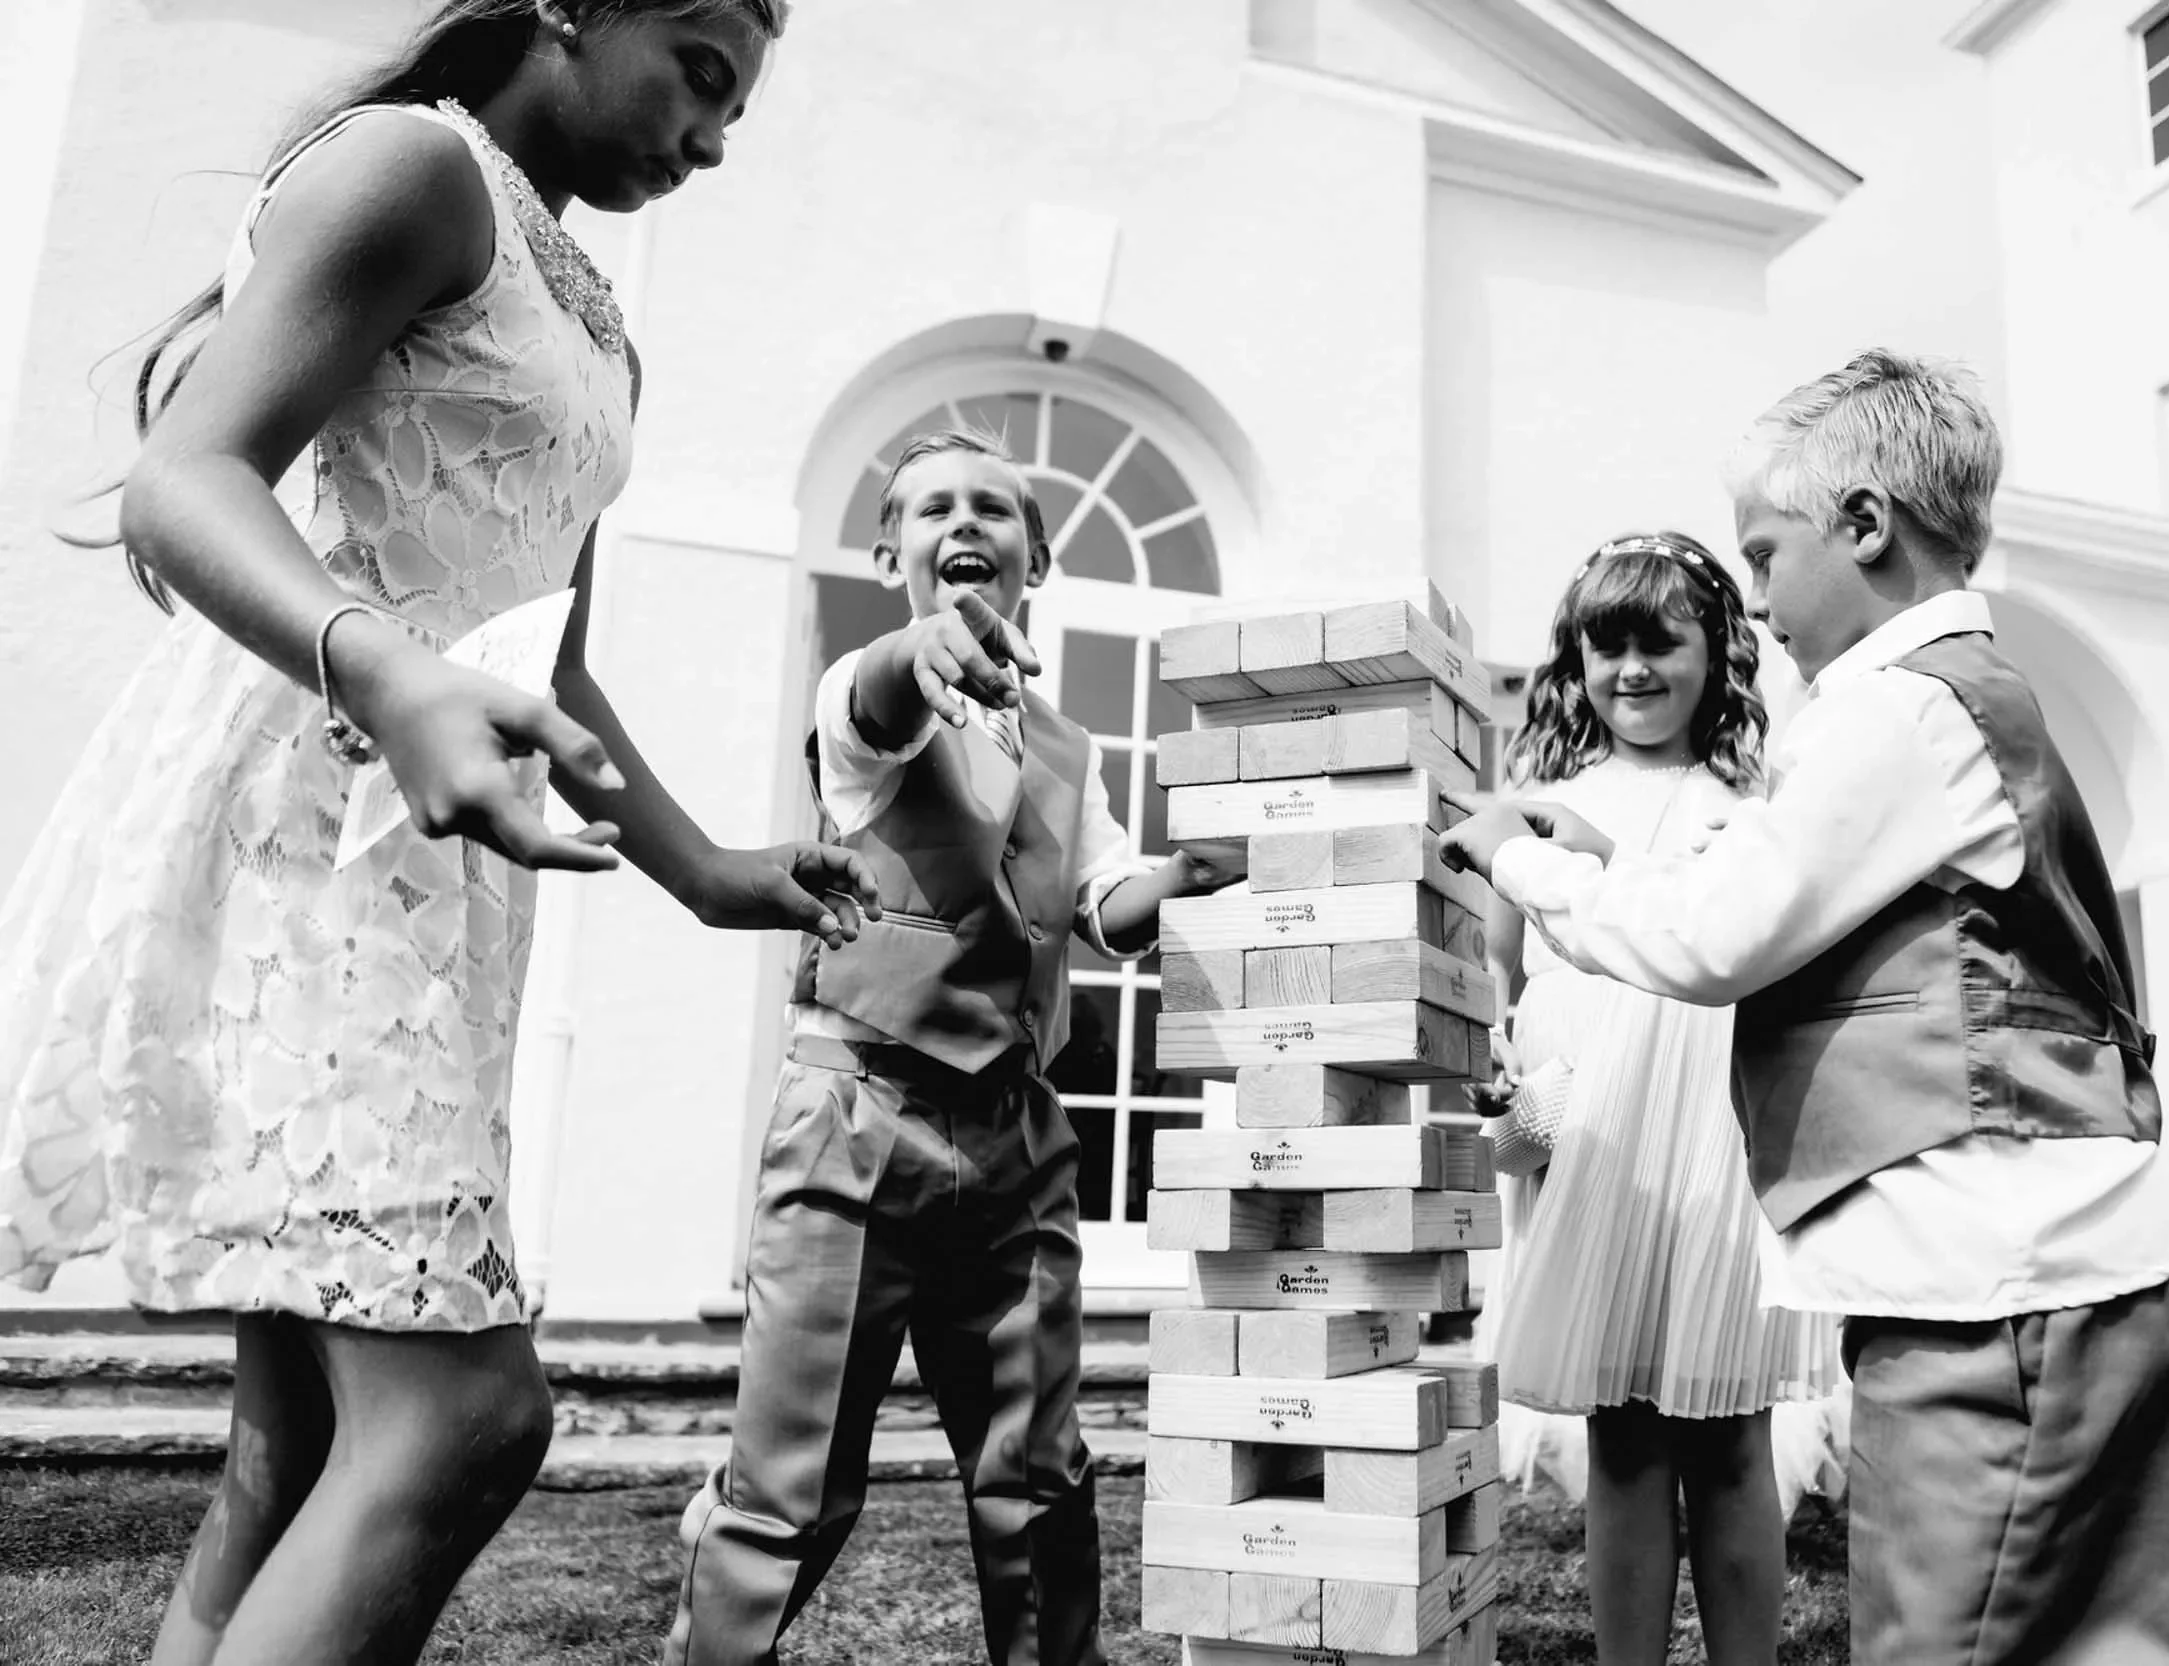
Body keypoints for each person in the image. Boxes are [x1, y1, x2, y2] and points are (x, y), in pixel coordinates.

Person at [0, 6, 878, 1661]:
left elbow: (552, 642)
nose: (710, 137)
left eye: (739, 114)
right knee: (462, 1417)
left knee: (302, 1440)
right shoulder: (416, 173)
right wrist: (386, 673)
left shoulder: (602, 325)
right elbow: (187, 478)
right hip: (312, 835)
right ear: (565, 4)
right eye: (698, 69)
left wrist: (703, 867)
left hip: (437, 883)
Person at [1443, 349, 2169, 1665]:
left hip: (2008, 1298)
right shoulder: (1963, 698)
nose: (1757, 600)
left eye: (1764, 554)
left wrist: (1520, 856)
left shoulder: (1900, 709)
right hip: (2050, 1281)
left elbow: (1718, 932)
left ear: (1866, 524)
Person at [666, 428, 1243, 1666]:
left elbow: (1102, 901)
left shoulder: (1068, 752)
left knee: (1037, 1477)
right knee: (795, 1481)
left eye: (994, 506)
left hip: (1017, 1144)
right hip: (856, 1123)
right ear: (892, 552)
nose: (963, 522)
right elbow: (871, 701)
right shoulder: (861, 700)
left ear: (1040, 553)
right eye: (931, 508)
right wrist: (912, 653)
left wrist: (1183, 878)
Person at [1468, 533, 1837, 1666]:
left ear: (1716, 652)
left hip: (1718, 1141)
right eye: (1604, 643)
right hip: (1600, 1138)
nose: (1629, 668)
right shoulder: (1539, 810)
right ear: (1575, 659)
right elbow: (1501, 973)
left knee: (1730, 1438)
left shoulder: (1752, 803)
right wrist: (1503, 1074)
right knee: (1621, 1438)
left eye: (1659, 642)